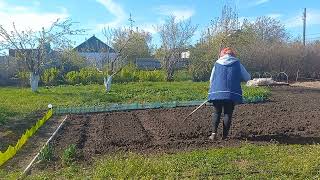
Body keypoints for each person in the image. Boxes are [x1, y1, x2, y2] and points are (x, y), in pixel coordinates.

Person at [208, 47, 251, 140]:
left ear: (222, 54)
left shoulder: (217, 63)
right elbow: (247, 77)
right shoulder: (237, 63)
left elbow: (211, 79)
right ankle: (224, 136)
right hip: (231, 93)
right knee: (227, 113)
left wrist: (212, 90)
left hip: (217, 92)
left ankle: (213, 134)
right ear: (233, 54)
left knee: (216, 112)